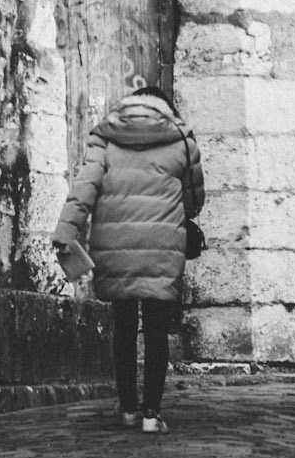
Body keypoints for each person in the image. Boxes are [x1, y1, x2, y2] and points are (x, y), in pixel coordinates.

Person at [53, 81, 204, 434]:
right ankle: (152, 413)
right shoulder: (182, 140)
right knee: (155, 329)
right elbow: (194, 200)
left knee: (123, 327)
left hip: (114, 244)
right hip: (161, 245)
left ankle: (127, 408)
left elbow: (84, 190)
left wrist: (66, 231)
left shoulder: (105, 138)